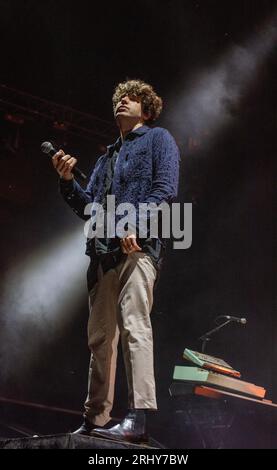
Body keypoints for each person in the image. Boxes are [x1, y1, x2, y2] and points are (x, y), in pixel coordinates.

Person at [52, 79, 180, 443]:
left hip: (138, 248)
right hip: (102, 253)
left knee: (135, 324)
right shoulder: (106, 156)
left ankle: (138, 418)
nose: (122, 102)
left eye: (131, 98)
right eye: (118, 99)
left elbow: (165, 188)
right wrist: (66, 182)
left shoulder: (160, 139)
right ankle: (95, 420)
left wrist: (136, 224)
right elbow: (88, 208)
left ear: (148, 108)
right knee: (100, 338)